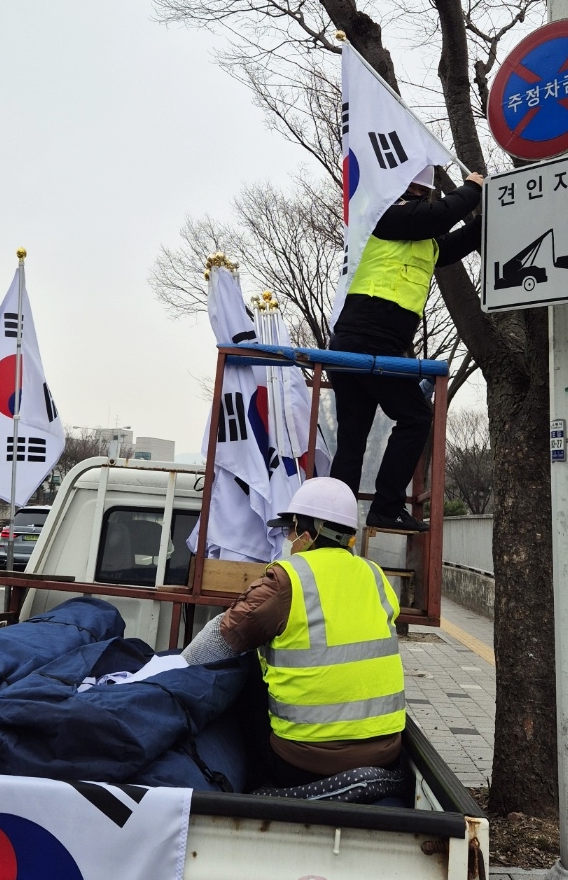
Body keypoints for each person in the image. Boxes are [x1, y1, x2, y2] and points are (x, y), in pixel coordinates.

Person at [182, 476, 405, 786]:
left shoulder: (287, 579)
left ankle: (250, 788)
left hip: (306, 763)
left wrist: (174, 672)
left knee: (243, 674)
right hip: (386, 753)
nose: (287, 537)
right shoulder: (374, 575)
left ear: (309, 532)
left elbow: (220, 640)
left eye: (290, 528)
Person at [329, 165, 485, 532]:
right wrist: (473, 188)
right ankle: (385, 505)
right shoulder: (382, 215)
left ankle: (332, 520)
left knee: (352, 439)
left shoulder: (421, 238)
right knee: (415, 417)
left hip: (360, 342)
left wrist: (495, 209)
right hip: (373, 342)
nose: (418, 198)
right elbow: (440, 216)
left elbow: (457, 241)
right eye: (416, 193)